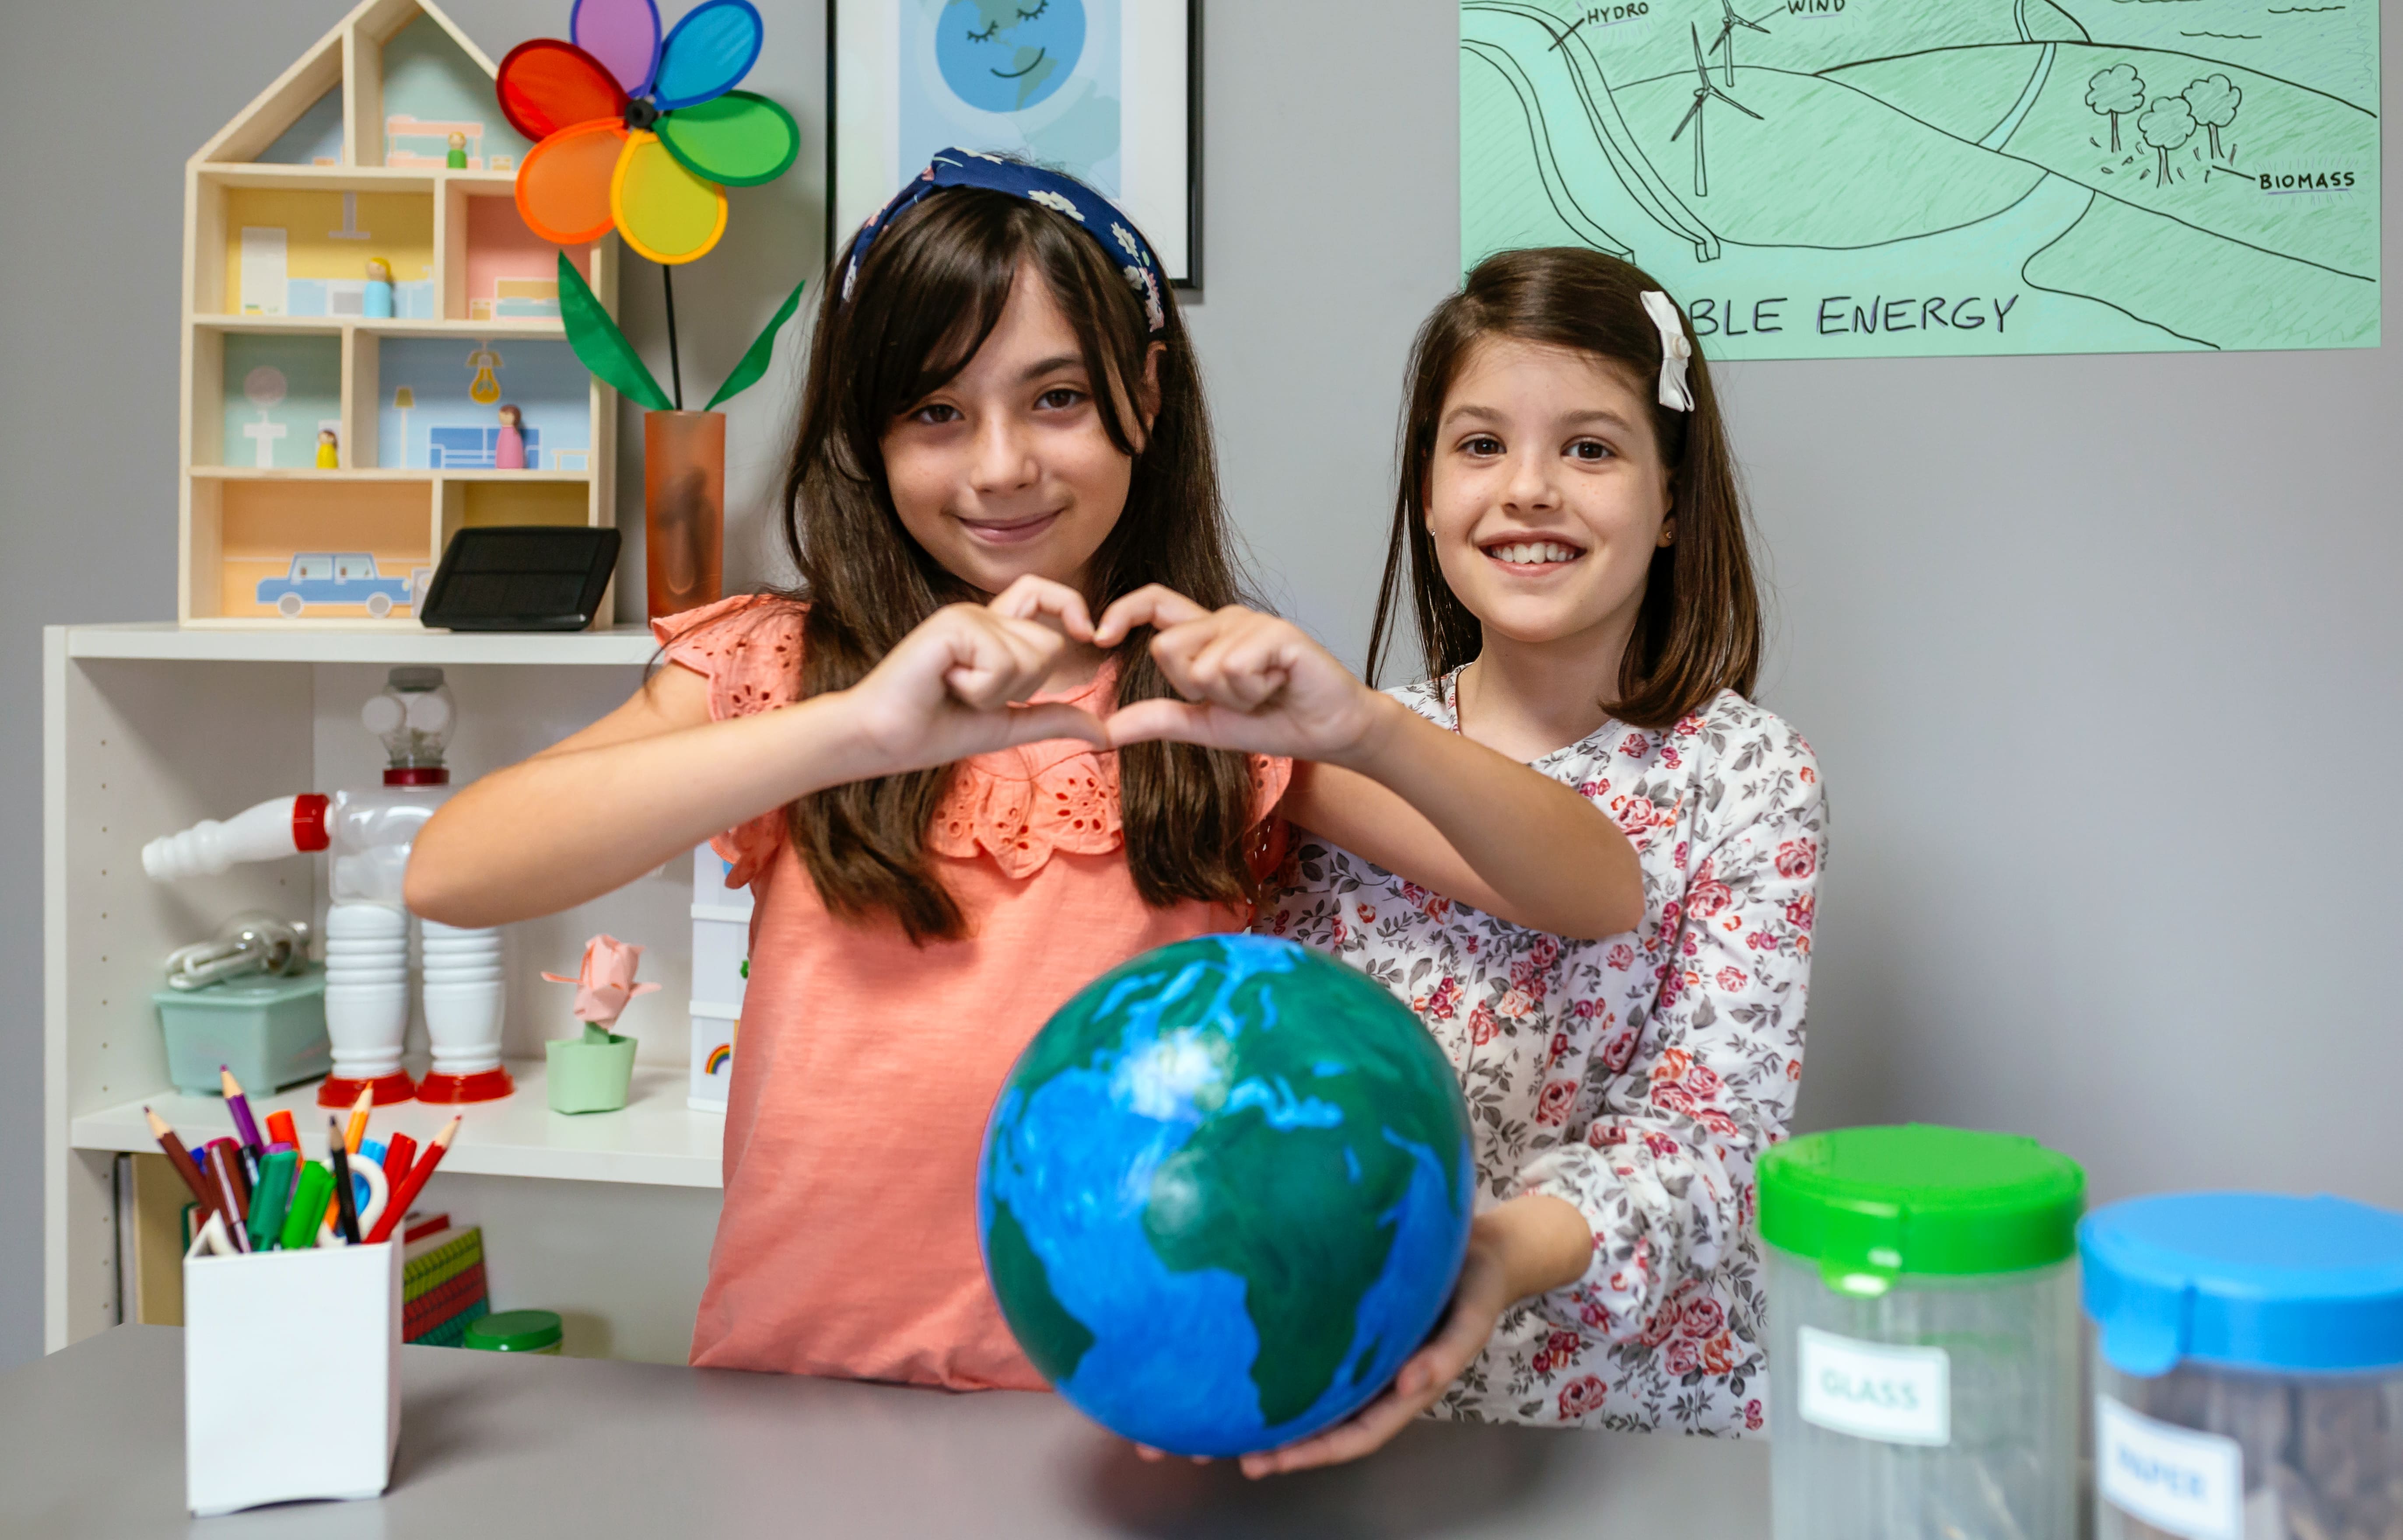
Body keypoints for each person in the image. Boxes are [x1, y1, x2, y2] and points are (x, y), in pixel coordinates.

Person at [404, 156, 1642, 1390]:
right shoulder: (789, 663)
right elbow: (454, 870)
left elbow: (1593, 892)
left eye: (1054, 398)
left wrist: (1366, 727)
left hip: (1129, 1408)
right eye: (937, 413)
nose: (999, 467)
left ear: (1143, 394)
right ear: (867, 429)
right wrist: (852, 731)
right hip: (799, 1393)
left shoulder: (1207, 699)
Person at [1242, 248, 1824, 1472]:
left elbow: (1702, 1141)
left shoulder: (1750, 781)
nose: (1528, 491)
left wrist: (1499, 1255)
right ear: (1425, 486)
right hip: (1341, 1403)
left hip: (1636, 1426)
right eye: (1478, 445)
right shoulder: (1331, 753)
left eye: (1591, 449)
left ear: (1672, 501)